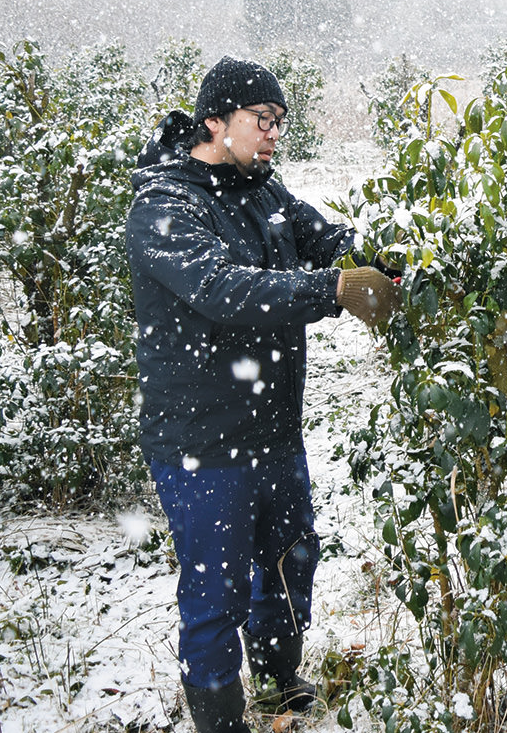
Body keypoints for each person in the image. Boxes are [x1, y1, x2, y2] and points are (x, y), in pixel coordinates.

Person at [126, 56, 397, 733]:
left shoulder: (264, 191)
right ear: (215, 121)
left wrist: (382, 258)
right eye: (263, 120)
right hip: (202, 443)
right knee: (215, 595)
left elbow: (327, 237)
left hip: (274, 433)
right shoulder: (163, 206)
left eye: (281, 122)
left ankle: (279, 680)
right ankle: (221, 719)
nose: (275, 134)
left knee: (288, 566)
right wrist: (331, 291)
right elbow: (223, 290)